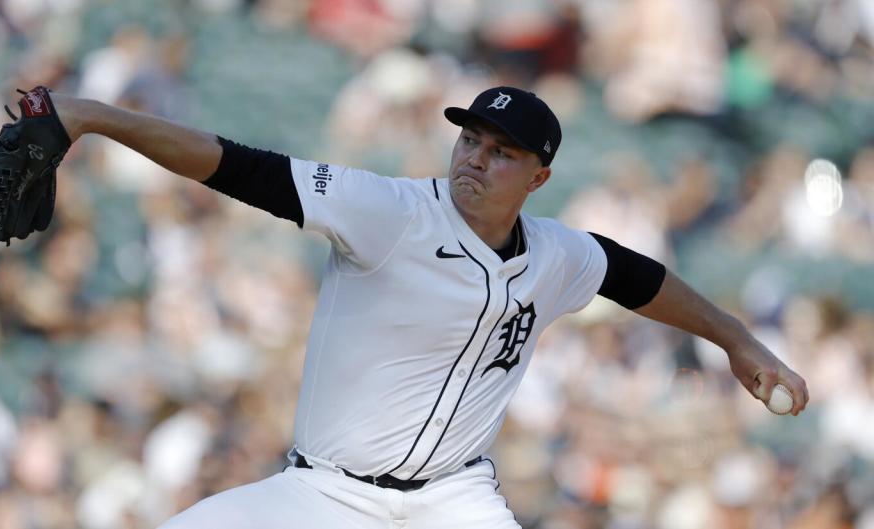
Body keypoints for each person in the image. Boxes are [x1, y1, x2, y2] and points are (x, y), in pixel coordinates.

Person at [40, 86, 808, 528]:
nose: (475, 157)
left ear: (538, 178)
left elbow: (634, 275)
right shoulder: (391, 212)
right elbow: (239, 167)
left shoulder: (555, 254)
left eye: (501, 150)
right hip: (322, 494)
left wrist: (737, 338)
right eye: (470, 139)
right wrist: (96, 117)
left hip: (452, 500)